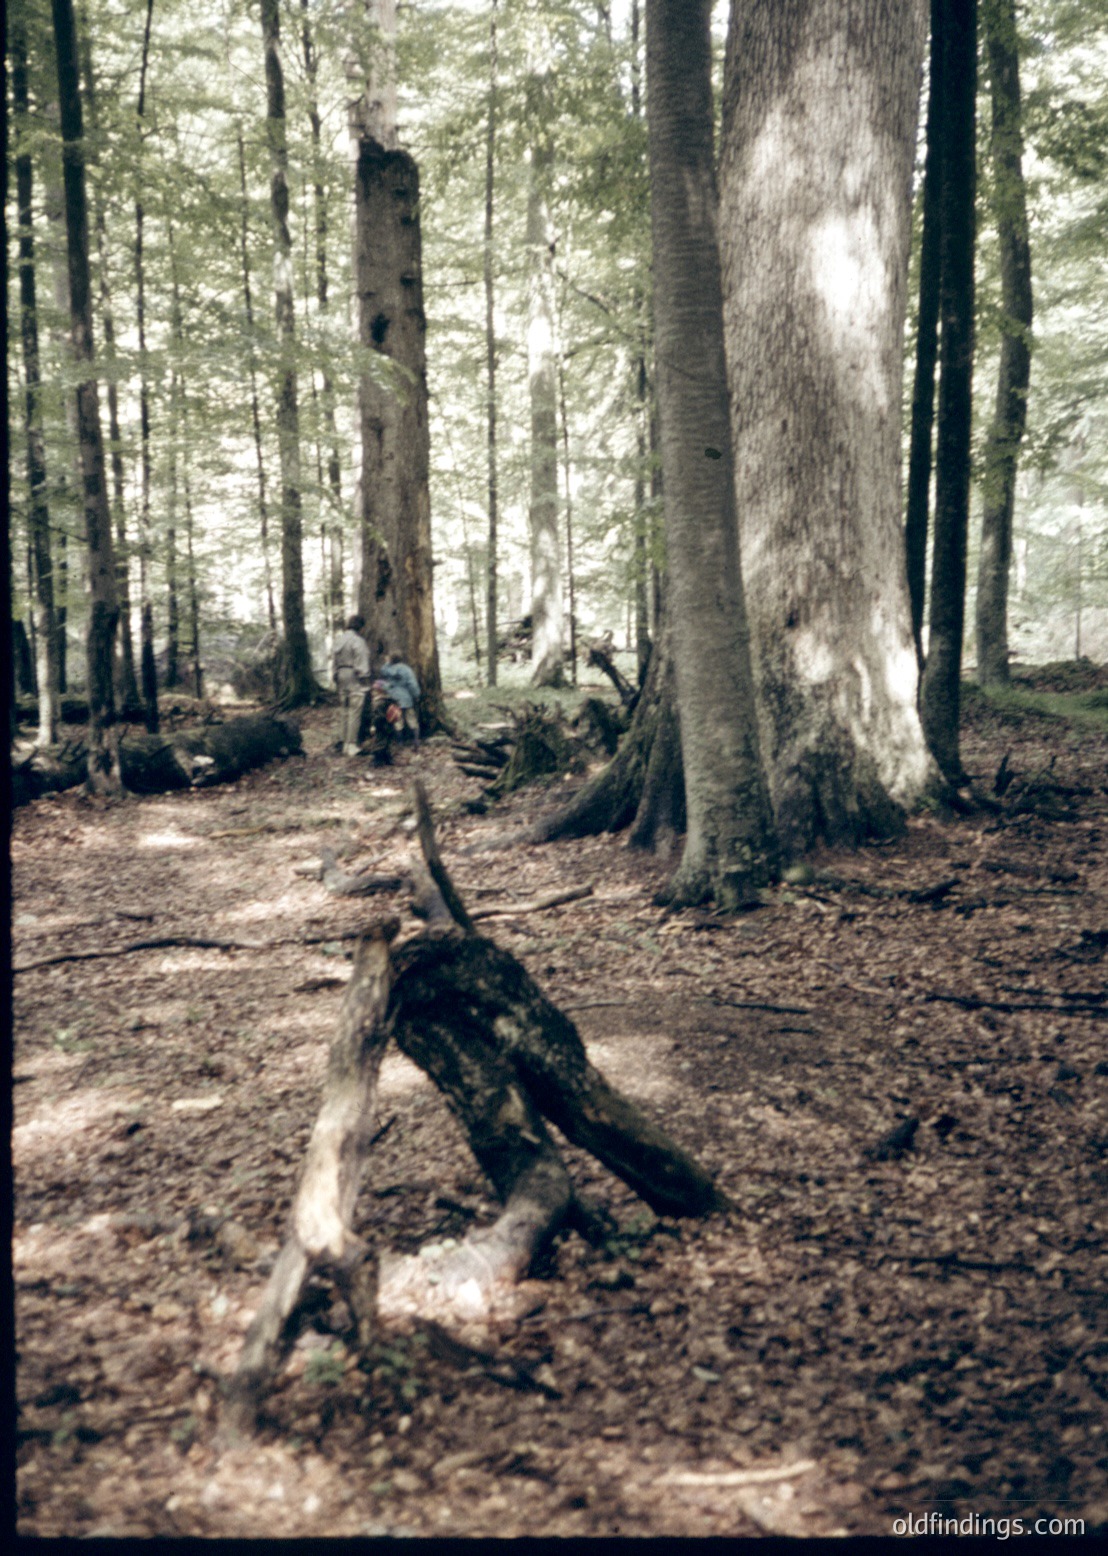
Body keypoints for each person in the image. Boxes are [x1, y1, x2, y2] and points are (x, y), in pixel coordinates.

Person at [332, 614, 371, 755]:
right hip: (354, 676)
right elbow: (362, 661)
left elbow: (334, 661)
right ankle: (351, 745)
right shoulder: (358, 641)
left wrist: (335, 675)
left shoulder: (339, 640)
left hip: (341, 675)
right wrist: (364, 677)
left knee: (345, 710)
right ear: (360, 627)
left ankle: (342, 741)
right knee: (355, 710)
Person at [376, 653, 421, 747]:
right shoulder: (406, 670)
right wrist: (416, 695)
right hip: (406, 697)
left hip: (394, 697)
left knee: (397, 720)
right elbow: (412, 684)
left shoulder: (387, 669)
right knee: (411, 719)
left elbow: (383, 673)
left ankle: (400, 742)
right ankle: (416, 741)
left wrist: (387, 663)